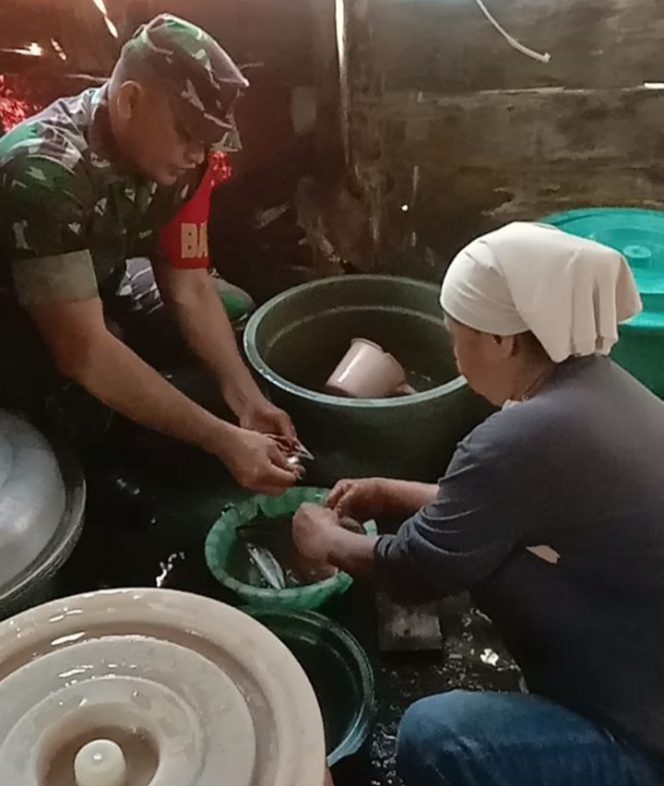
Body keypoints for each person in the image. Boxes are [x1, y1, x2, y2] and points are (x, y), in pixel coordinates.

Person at [292, 222, 664, 786]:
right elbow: (501, 514)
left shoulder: (516, 440)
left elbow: (416, 569)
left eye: (457, 335)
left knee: (438, 736)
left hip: (640, 739)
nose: (455, 356)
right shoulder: (603, 394)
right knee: (501, 559)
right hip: (642, 663)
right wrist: (392, 491)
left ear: (504, 340)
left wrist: (325, 539)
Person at [0, 14, 300, 495]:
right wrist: (222, 440)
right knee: (87, 413)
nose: (198, 156)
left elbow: (191, 284)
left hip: (100, 281)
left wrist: (246, 401)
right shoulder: (43, 174)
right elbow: (84, 351)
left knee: (232, 309)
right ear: (130, 101)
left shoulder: (185, 165)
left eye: (208, 141)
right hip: (17, 322)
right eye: (187, 133)